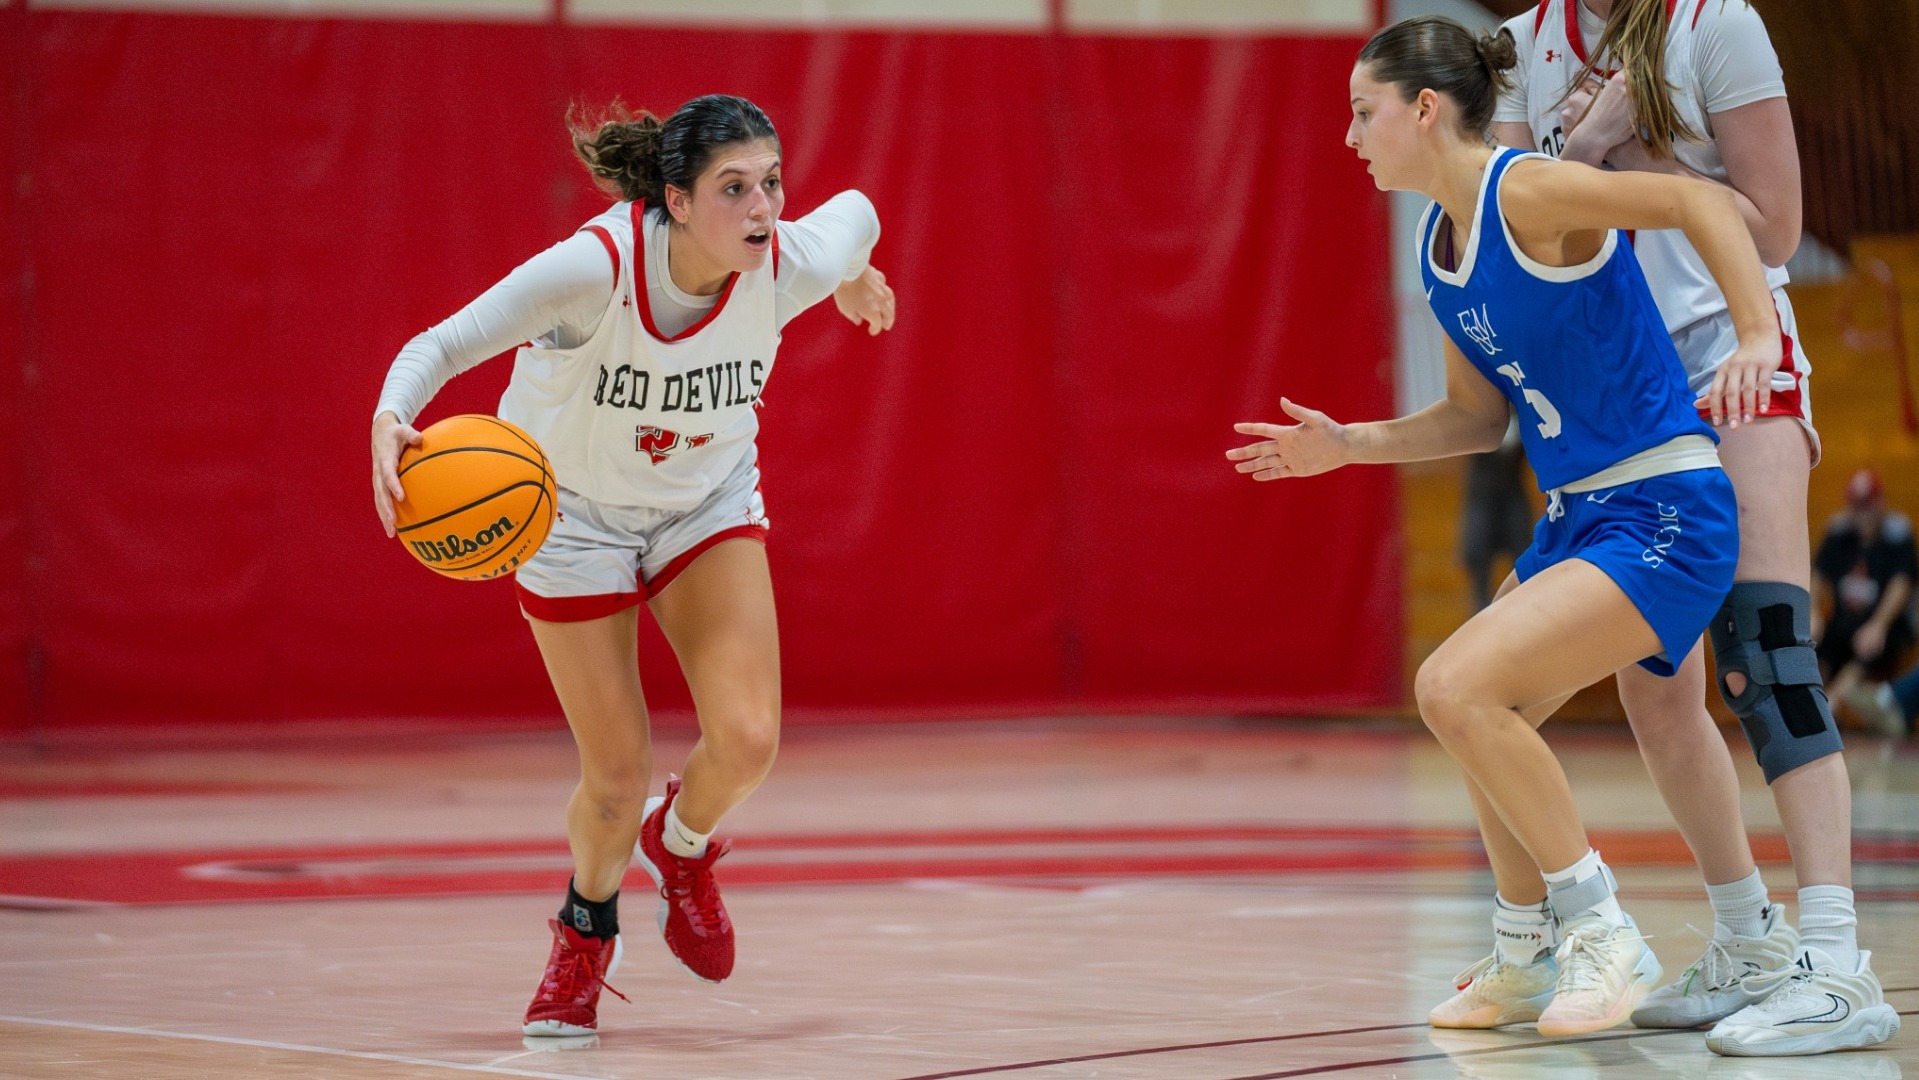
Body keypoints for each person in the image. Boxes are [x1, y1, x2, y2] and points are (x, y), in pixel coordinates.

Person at [1231, 13, 1770, 1037]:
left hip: (1663, 506)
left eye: (1361, 112)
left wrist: (1753, 335)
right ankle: (1524, 952)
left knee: (1452, 683)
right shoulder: (1440, 250)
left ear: (1423, 108)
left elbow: (1694, 198)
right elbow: (1476, 420)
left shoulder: (1521, 190)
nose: (1348, 136)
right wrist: (1348, 444)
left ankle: (1601, 931)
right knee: (1487, 706)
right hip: (1581, 518)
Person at [370, 94, 895, 1036]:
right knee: (613, 779)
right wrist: (388, 418)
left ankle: (681, 843)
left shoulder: (786, 261)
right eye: (734, 188)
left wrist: (852, 272)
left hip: (702, 501)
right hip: (568, 517)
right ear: (676, 201)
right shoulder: (594, 269)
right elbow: (441, 344)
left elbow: (858, 210)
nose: (763, 207)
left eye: (772, 183)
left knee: (749, 738)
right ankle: (584, 933)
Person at [1490, 0, 1898, 1055]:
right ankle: (1745, 941)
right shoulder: (1523, 47)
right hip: (1621, 396)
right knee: (1651, 687)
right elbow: (1515, 238)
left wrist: (1638, 156)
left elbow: (1771, 226)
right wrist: (1577, 150)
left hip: (1731, 354)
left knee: (1765, 649)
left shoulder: (1713, 24)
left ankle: (1836, 965)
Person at [1814, 467, 1916, 711]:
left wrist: (1879, 624)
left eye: (1868, 506)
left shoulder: (1897, 537)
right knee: (1819, 644)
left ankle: (1828, 709)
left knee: (1867, 647)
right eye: (1857, 506)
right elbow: (1817, 572)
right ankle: (1810, 704)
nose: (1863, 515)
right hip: (1843, 622)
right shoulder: (1839, 534)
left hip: (1887, 626)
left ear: (1880, 502)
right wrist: (1812, 611)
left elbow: (1901, 584)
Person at [1457, 416, 1535, 612]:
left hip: (1513, 498)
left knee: (1523, 561)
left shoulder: (1523, 419)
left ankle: (1521, 618)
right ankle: (1479, 620)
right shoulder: (1480, 421)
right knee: (1480, 567)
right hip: (1482, 500)